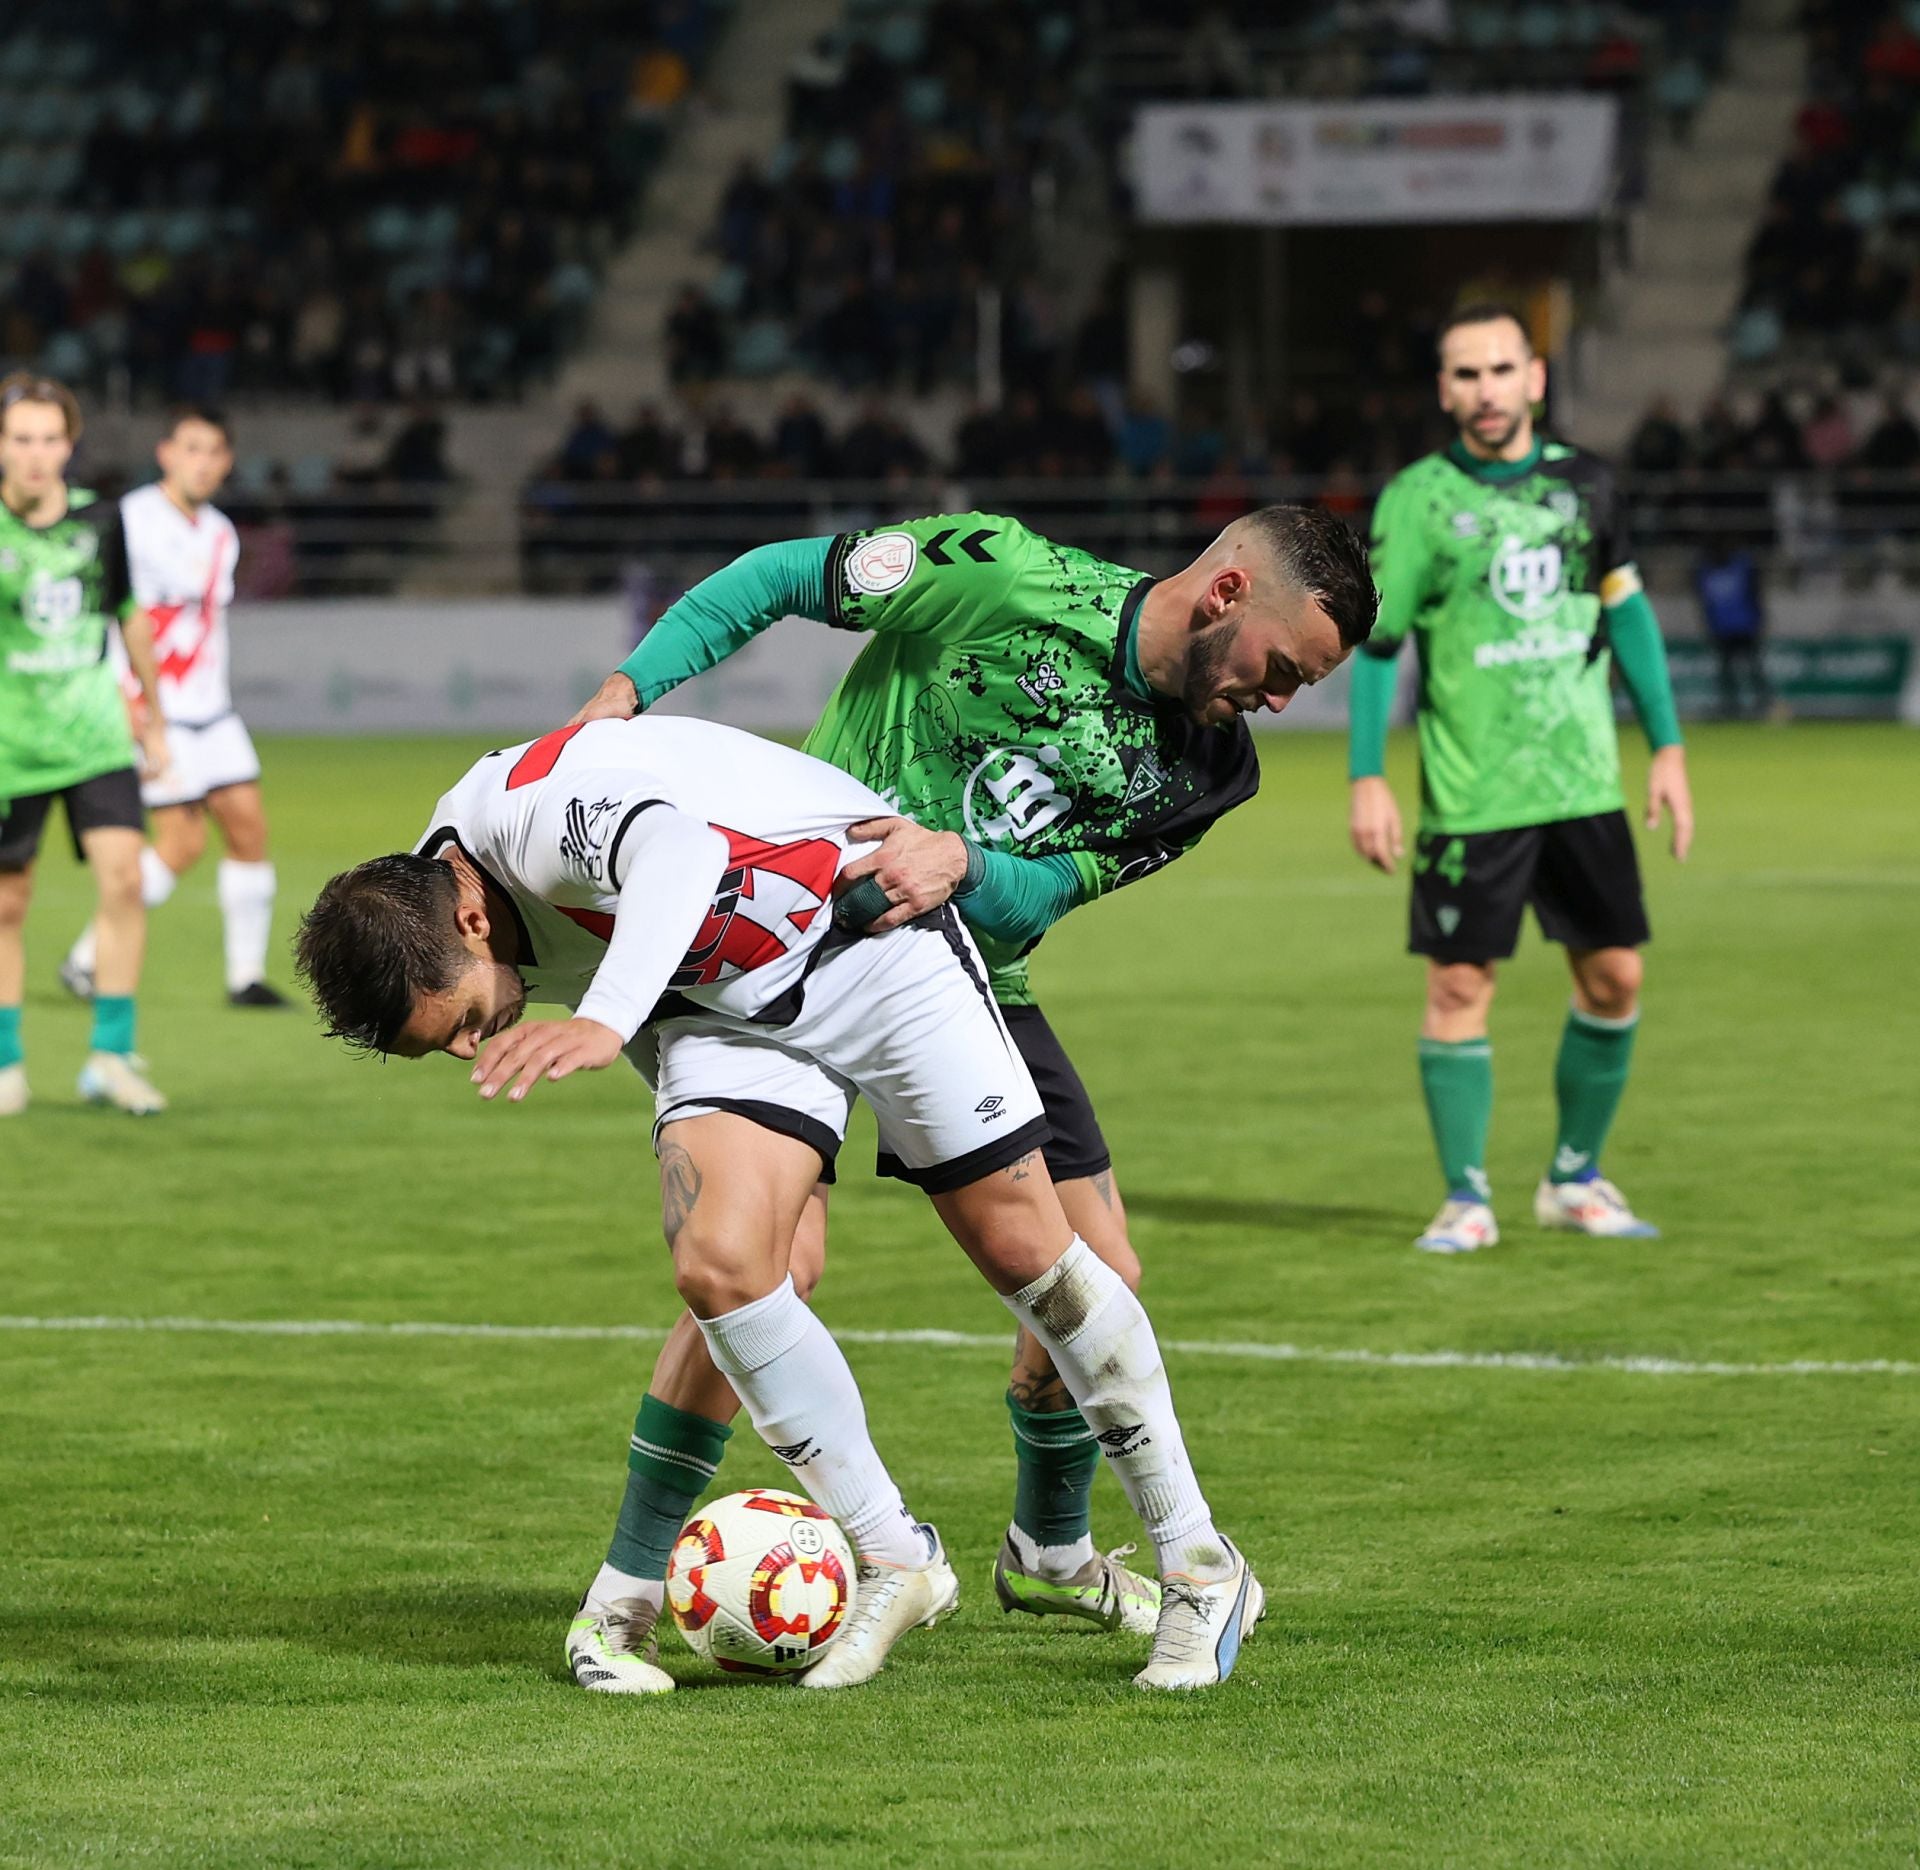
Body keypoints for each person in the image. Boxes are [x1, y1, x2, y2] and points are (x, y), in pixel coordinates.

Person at [563, 503, 1375, 1682]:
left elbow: (1044, 891)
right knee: (758, 1267)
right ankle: (626, 1590)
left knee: (1102, 1273)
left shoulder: (1215, 770)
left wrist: (966, 859)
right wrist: (629, 693)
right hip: (791, 942)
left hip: (972, 971)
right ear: (1226, 593)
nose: (1282, 699)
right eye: (1284, 669)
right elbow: (780, 575)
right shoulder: (997, 574)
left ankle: (1048, 1546)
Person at [293, 714, 1265, 1694]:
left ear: (470, 921)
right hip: (718, 998)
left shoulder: (533, 826)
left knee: (1028, 1257)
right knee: (726, 1262)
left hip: (871, 940)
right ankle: (880, 1556)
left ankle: (1199, 1564)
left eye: (460, 1023)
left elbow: (679, 848)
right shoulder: (421, 899)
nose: (472, 1049)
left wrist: (601, 1021)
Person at [1348, 304, 1694, 1255]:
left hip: (1582, 781)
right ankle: (1465, 1197)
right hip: (1473, 794)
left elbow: (1625, 614)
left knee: (1616, 976)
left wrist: (1666, 746)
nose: (1486, 390)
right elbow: (1380, 649)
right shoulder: (1415, 499)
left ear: (1535, 378)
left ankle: (1574, 1178)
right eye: (1465, 374)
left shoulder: (1589, 485)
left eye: (1502, 370)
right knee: (1460, 987)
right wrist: (1366, 776)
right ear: (1444, 389)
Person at [63, 408, 286, 1008]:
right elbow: (111, 615)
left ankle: (245, 979)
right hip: (153, 708)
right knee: (181, 843)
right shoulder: (132, 520)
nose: (203, 462)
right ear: (165, 453)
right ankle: (88, 957)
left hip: (213, 712)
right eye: (192, 449)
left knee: (248, 828)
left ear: (227, 463)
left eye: (215, 452)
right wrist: (127, 702)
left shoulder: (220, 532)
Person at [0, 373, 170, 1117]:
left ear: (69, 444)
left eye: (49, 438)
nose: (35, 454)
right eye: (20, 438)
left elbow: (129, 616)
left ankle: (110, 1055)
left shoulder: (101, 521)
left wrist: (153, 716)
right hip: (11, 745)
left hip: (96, 735)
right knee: (8, 905)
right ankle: (7, 1064)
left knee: (125, 883)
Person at [1692, 536, 1773, 721]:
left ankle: (1764, 705)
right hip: (1722, 629)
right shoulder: (1705, 570)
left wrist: (1759, 618)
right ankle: (1731, 707)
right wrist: (1708, 625)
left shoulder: (1743, 565)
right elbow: (1704, 602)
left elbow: (1755, 592)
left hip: (1745, 626)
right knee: (1727, 672)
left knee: (1754, 669)